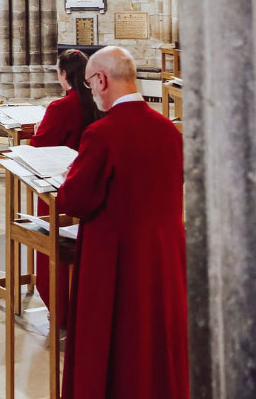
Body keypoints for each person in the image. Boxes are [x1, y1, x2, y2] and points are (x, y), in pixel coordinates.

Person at [58, 46, 187, 399]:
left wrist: (70, 177)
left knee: (115, 352)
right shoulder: (170, 131)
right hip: (164, 259)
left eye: (89, 84)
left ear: (100, 80)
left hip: (117, 262)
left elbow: (73, 200)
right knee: (156, 347)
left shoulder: (103, 134)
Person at [32, 49, 101, 331]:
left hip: (59, 186)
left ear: (63, 74)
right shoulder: (97, 102)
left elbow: (39, 146)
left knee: (54, 248)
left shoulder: (60, 108)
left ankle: (60, 309)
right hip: (90, 186)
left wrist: (38, 129)